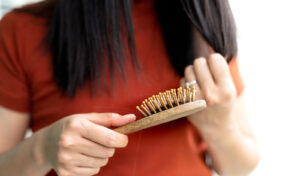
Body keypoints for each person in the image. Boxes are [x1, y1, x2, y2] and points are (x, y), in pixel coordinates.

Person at [0, 0, 259, 175]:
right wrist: (42, 149)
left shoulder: (199, 19)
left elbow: (240, 167)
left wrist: (219, 126)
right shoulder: (21, 31)